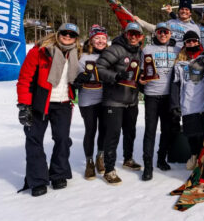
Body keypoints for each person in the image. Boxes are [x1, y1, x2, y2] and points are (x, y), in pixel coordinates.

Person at [17, 23, 81, 196]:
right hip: (39, 102)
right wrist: (24, 105)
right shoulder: (40, 51)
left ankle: (58, 174)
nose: (68, 37)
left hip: (63, 103)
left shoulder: (76, 53)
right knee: (34, 140)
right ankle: (37, 180)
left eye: (72, 35)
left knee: (62, 139)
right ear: (58, 33)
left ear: (76, 38)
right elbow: (24, 78)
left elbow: (73, 78)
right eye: (65, 33)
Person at [96, 23, 145, 185]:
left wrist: (143, 80)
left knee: (130, 131)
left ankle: (128, 159)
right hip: (114, 100)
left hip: (131, 100)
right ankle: (109, 169)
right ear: (125, 34)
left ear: (141, 37)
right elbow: (99, 68)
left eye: (137, 34)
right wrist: (116, 76)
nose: (133, 37)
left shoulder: (140, 52)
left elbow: (139, 74)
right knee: (113, 134)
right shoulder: (115, 49)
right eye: (130, 33)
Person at [140, 22, 180, 180]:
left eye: (166, 32)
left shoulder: (177, 50)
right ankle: (147, 166)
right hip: (152, 95)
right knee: (150, 131)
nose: (163, 34)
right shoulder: (147, 50)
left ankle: (161, 158)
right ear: (155, 33)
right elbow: (140, 71)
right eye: (160, 32)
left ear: (170, 34)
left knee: (167, 130)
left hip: (169, 96)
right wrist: (140, 80)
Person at [170, 31, 204, 170]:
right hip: (187, 104)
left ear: (198, 42)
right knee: (191, 135)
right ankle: (194, 155)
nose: (191, 43)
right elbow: (175, 84)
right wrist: (175, 104)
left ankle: (203, 157)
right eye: (188, 41)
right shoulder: (180, 63)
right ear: (184, 44)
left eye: (194, 41)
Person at [74, 25, 109, 180]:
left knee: (104, 129)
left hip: (106, 99)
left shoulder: (109, 55)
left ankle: (99, 157)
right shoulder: (81, 55)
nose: (100, 41)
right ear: (91, 40)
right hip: (87, 99)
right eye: (97, 38)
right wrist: (78, 80)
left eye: (103, 38)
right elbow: (71, 79)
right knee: (91, 130)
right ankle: (89, 161)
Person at [134, 0, 200, 49]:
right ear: (179, 11)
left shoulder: (194, 27)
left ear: (190, 13)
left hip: (182, 55)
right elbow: (155, 28)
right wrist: (140, 21)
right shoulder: (170, 22)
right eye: (182, 9)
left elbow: (198, 44)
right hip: (167, 53)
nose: (184, 11)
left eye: (186, 9)